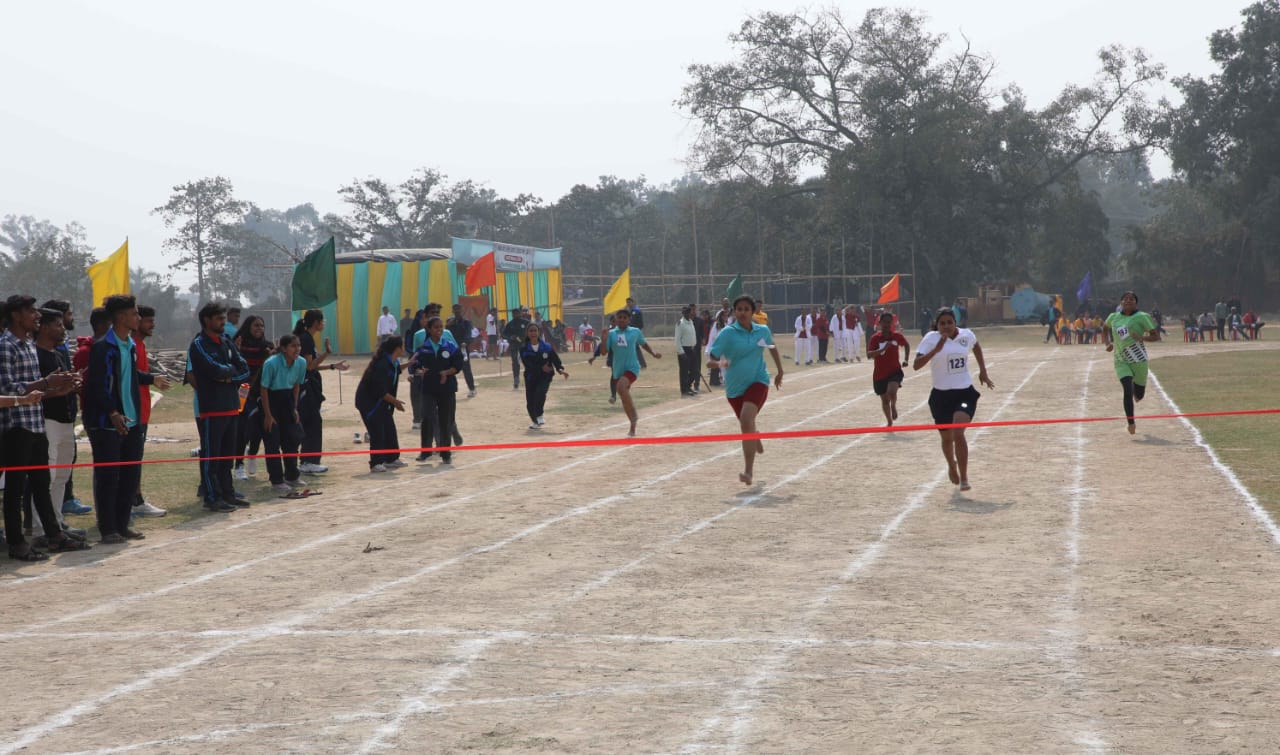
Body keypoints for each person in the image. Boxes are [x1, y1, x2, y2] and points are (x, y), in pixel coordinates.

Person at [2, 298, 85, 559]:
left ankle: (53, 534)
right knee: (15, 488)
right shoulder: (6, 346)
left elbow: (35, 392)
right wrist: (47, 381)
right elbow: (8, 389)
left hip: (35, 423)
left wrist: (59, 389)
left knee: (41, 483)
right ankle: (17, 542)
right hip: (16, 426)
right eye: (31, 311)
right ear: (16, 316)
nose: (37, 316)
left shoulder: (27, 344)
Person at [83, 295, 171, 542]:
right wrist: (112, 413)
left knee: (129, 476)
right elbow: (98, 386)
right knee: (108, 477)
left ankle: (122, 525)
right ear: (121, 317)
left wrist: (151, 378)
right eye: (134, 313)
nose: (138, 318)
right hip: (107, 423)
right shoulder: (102, 347)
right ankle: (108, 529)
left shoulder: (129, 344)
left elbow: (130, 374)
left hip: (132, 420)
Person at [913, 309, 994, 491]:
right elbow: (916, 366)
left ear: (955, 322)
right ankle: (951, 465)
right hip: (940, 396)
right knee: (947, 438)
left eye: (950, 322)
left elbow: (976, 347)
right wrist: (936, 350)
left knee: (958, 433)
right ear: (937, 325)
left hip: (964, 393)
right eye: (942, 323)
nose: (947, 326)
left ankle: (964, 478)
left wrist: (983, 371)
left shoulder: (966, 335)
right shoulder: (931, 339)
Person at [708, 295, 785, 485]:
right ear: (734, 312)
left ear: (753, 312)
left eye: (746, 309)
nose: (742, 312)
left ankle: (748, 472)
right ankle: (755, 434)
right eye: (739, 309)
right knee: (747, 425)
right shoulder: (727, 333)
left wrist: (780, 371)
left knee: (745, 420)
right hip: (734, 389)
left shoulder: (762, 331)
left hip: (758, 381)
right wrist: (720, 363)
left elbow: (771, 347)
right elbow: (710, 360)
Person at [189, 301, 252, 511]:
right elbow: (212, 369)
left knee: (227, 457)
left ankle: (228, 493)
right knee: (211, 457)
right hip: (212, 409)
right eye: (219, 318)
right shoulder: (199, 344)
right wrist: (228, 372)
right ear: (207, 320)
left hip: (232, 406)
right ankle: (212, 497)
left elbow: (244, 370)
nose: (223, 321)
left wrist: (228, 377)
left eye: (224, 318)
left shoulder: (226, 341)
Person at [589, 308, 662, 436]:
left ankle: (634, 417)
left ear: (629, 320)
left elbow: (643, 344)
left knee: (621, 387)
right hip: (618, 370)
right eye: (619, 317)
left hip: (632, 368)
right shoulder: (612, 333)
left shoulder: (635, 332)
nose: (622, 319)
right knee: (623, 396)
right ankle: (633, 423)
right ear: (616, 320)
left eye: (624, 317)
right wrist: (604, 339)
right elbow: (604, 352)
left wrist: (653, 353)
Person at [294, 309, 348, 474]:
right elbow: (309, 366)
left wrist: (333, 366)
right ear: (316, 323)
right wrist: (327, 354)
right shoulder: (306, 339)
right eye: (322, 321)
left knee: (313, 423)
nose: (324, 324)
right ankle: (308, 461)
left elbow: (312, 367)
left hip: (312, 386)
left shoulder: (308, 338)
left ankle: (309, 460)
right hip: (307, 389)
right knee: (313, 425)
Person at [1101, 291, 1160, 435]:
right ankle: (1131, 422)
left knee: (1138, 396)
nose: (1128, 301)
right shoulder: (1113, 317)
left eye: (1131, 299)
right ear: (1121, 303)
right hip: (1121, 360)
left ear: (1136, 303)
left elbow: (1156, 336)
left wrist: (1142, 338)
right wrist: (1108, 343)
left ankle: (1137, 390)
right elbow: (1104, 328)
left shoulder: (1142, 317)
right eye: (1125, 299)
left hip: (1138, 359)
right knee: (1127, 389)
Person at [130, 305, 168, 517]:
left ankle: (135, 499)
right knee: (133, 458)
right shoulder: (132, 346)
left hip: (143, 410)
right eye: (147, 320)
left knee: (137, 457)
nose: (152, 324)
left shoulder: (140, 345)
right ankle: (135, 501)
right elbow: (132, 375)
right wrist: (152, 378)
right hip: (134, 412)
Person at [410, 316, 464, 465]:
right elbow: (413, 365)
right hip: (428, 389)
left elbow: (459, 364)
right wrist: (418, 371)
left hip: (447, 390)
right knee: (427, 418)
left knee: (445, 420)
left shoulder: (450, 346)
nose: (439, 330)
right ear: (429, 329)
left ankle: (445, 453)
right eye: (436, 327)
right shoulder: (423, 348)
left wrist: (447, 372)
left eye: (441, 327)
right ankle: (425, 451)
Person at [258, 334, 308, 492]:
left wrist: (294, 408)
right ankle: (276, 479)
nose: (297, 349)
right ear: (284, 348)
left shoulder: (301, 363)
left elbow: (296, 387)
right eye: (293, 346)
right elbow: (263, 389)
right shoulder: (271, 363)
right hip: (270, 402)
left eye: (298, 345)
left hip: (287, 401)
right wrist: (268, 415)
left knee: (292, 439)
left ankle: (292, 475)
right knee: (272, 442)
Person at [355, 336, 407, 472]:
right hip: (370, 402)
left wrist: (411, 363)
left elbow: (396, 370)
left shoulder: (392, 362)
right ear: (397, 348)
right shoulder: (382, 364)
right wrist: (396, 402)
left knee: (389, 427)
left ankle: (391, 458)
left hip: (381, 401)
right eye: (403, 345)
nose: (404, 348)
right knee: (377, 430)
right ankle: (376, 462)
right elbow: (379, 390)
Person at [232, 315, 272, 481]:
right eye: (256, 326)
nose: (259, 329)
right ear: (248, 327)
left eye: (262, 326)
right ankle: (238, 465)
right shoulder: (238, 344)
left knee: (258, 427)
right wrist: (236, 351)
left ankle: (252, 455)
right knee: (242, 428)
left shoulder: (267, 347)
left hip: (259, 391)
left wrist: (270, 355)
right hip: (242, 390)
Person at [520, 323, 568, 429]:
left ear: (538, 332)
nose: (533, 333)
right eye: (531, 331)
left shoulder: (547, 347)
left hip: (545, 377)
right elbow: (528, 364)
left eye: (535, 331)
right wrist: (541, 368)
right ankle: (535, 421)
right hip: (531, 377)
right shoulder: (524, 348)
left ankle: (540, 414)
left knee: (540, 393)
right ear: (527, 333)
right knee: (530, 401)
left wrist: (560, 369)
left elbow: (555, 359)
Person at [868, 312, 911, 427]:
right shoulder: (875, 338)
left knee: (891, 392)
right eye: (884, 322)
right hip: (879, 374)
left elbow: (906, 345)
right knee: (884, 400)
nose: (887, 325)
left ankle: (894, 406)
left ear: (892, 323)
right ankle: (889, 421)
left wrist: (906, 359)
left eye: (889, 322)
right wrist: (881, 350)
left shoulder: (897, 336)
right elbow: (869, 355)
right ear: (880, 323)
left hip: (894, 371)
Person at [447, 304, 478, 398]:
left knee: (466, 369)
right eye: (455, 310)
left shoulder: (466, 322)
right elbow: (447, 334)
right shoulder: (450, 323)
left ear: (462, 310)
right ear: (453, 311)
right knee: (450, 369)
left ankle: (472, 389)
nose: (457, 312)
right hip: (452, 349)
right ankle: (450, 389)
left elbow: (469, 334)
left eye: (458, 310)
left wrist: (466, 342)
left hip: (463, 348)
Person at [502, 307, 532, 390]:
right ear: (512, 314)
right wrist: (511, 337)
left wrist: (525, 337)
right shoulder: (510, 324)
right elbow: (504, 334)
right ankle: (516, 380)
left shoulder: (526, 322)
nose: (516, 315)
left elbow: (533, 330)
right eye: (514, 313)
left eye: (517, 313)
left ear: (520, 313)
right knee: (515, 362)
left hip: (524, 345)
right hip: (514, 345)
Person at [675, 306, 699, 396]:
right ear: (683, 313)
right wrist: (681, 352)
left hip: (692, 349)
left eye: (689, 312)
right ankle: (684, 390)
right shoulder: (680, 323)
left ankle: (688, 386)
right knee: (684, 371)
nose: (688, 314)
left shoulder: (690, 322)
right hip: (684, 350)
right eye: (685, 312)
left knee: (695, 370)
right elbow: (677, 340)